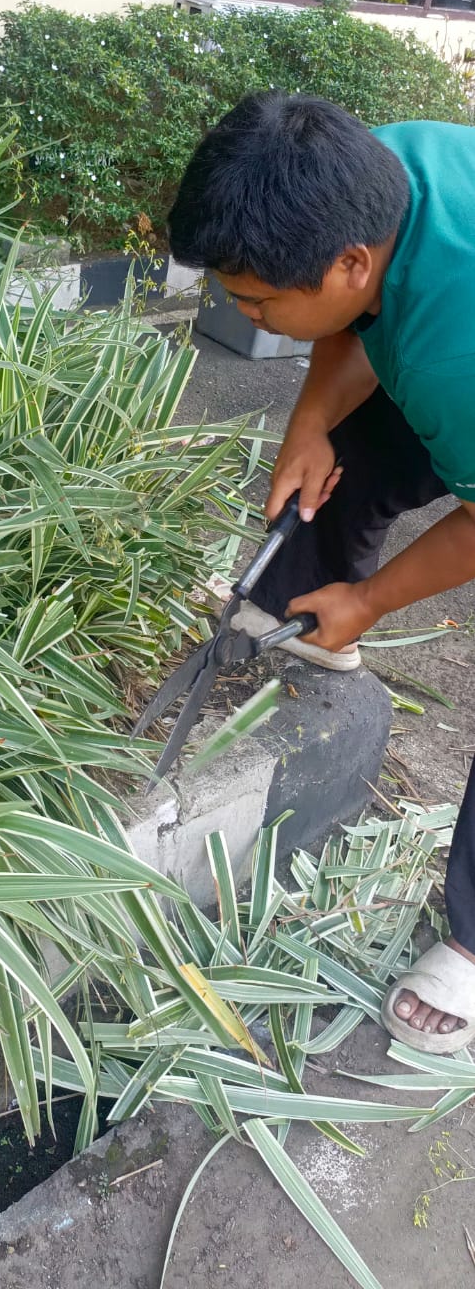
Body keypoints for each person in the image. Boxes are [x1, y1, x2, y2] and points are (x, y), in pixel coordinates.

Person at [168, 91, 475, 1055]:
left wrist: (372, 601)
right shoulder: (368, 173)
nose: (244, 313)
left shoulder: (457, 357)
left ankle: (472, 941)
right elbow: (357, 318)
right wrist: (308, 424)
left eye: (259, 303)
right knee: (345, 448)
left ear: (349, 263)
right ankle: (292, 619)